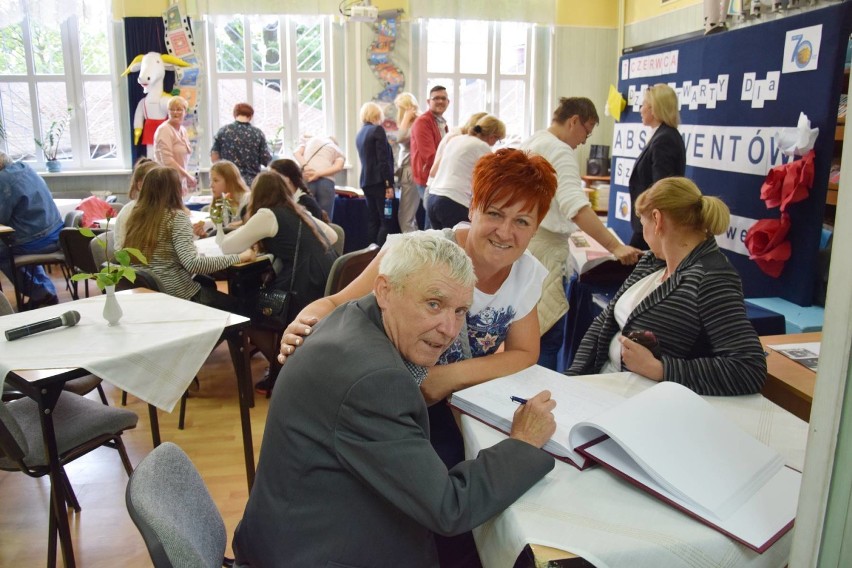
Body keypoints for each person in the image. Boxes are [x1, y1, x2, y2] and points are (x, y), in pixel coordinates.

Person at [232, 232, 557, 567]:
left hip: (295, 530)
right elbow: (450, 508)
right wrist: (523, 441)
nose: (448, 328)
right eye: (434, 304)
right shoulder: (374, 381)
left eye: (460, 310)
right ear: (385, 290)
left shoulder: (354, 316)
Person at [279, 148, 556, 471]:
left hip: (451, 401)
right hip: (387, 402)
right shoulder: (417, 253)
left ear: (536, 228)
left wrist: (446, 377)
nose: (505, 232)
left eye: (522, 221)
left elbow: (524, 352)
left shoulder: (527, 273)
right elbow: (336, 303)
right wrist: (304, 323)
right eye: (495, 213)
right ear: (473, 207)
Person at [567, 177, 766, 396]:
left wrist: (661, 369)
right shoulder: (651, 262)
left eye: (643, 225)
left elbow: (748, 369)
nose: (643, 233)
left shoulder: (711, 277)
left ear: (657, 219)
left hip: (646, 404)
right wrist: (574, 380)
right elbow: (604, 323)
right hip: (606, 387)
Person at [520, 97, 642, 371]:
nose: (585, 141)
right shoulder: (559, 151)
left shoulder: (534, 141)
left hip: (530, 247)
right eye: (586, 131)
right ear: (573, 120)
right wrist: (615, 247)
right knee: (546, 338)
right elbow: (575, 206)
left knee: (528, 334)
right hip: (546, 254)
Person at [221, 171, 338, 389]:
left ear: (258, 194)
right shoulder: (296, 210)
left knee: (246, 313)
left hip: (304, 283)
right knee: (256, 306)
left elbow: (228, 246)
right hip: (326, 278)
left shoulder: (267, 214)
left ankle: (282, 367)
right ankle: (285, 364)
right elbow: (333, 236)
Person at [123, 166, 255, 312]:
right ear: (175, 190)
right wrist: (239, 257)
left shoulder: (136, 218)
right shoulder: (176, 218)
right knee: (241, 308)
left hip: (148, 293)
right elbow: (194, 264)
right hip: (177, 295)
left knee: (207, 283)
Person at [0, 152, 63, 308]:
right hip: (56, 233)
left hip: (37, 239)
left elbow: (2, 216)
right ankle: (44, 291)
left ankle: (41, 293)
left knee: (2, 252)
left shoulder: (4, 180)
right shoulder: (26, 168)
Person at [628, 83, 687, 249]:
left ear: (655, 108)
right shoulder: (663, 136)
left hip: (653, 226)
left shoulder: (664, 139)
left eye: (643, 105)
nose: (640, 110)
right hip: (649, 224)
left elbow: (661, 189)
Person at [427, 114, 505, 230]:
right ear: (492, 136)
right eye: (498, 140)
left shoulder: (456, 139)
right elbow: (492, 179)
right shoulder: (482, 147)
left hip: (433, 198)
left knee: (440, 245)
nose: (495, 144)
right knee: (459, 246)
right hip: (453, 202)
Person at [355, 101, 395, 246]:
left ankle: (370, 254)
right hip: (380, 183)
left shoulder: (360, 133)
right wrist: (388, 185)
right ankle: (380, 256)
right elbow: (382, 161)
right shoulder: (377, 130)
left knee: (373, 220)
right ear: (377, 115)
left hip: (366, 182)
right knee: (386, 220)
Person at [411, 86, 451, 227]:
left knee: (432, 217)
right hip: (427, 178)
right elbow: (429, 155)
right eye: (436, 98)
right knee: (432, 219)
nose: (440, 101)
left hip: (437, 177)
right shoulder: (423, 122)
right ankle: (428, 248)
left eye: (443, 98)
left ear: (448, 102)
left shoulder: (441, 122)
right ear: (429, 101)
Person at [211, 102, 272, 186]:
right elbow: (266, 159)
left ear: (234, 114)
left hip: (229, 181)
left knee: (229, 199)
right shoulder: (258, 133)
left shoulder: (223, 131)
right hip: (251, 182)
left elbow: (214, 156)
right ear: (250, 116)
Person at [294, 134, 345, 219]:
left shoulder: (309, 141)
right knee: (325, 217)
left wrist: (306, 167)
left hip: (307, 178)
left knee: (304, 216)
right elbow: (338, 167)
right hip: (326, 182)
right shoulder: (337, 149)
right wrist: (318, 174)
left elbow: (296, 153)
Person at [153, 95, 196, 195]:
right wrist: (187, 176)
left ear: (185, 112)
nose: (175, 112)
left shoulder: (183, 130)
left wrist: (184, 180)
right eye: (171, 109)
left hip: (180, 182)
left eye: (179, 109)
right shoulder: (164, 130)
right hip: (167, 182)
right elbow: (167, 161)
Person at [114, 157, 159, 249]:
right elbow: (122, 248)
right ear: (140, 185)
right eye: (155, 183)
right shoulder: (129, 211)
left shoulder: (162, 208)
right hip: (131, 261)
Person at [393, 91, 421, 232]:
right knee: (409, 216)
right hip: (406, 170)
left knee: (405, 217)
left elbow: (399, 137)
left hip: (411, 171)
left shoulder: (416, 123)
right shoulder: (412, 123)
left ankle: (411, 250)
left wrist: (406, 117)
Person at [209, 160, 250, 228]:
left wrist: (242, 223)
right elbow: (218, 233)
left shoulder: (247, 199)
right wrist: (205, 235)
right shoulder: (221, 203)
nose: (211, 185)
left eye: (216, 180)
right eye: (211, 180)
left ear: (229, 181)